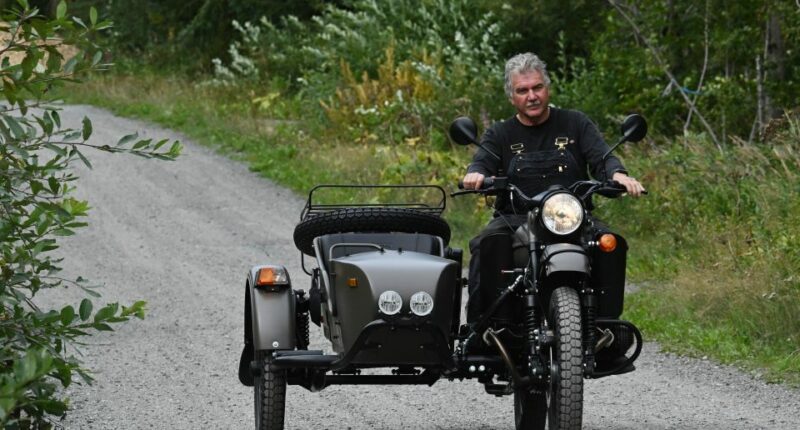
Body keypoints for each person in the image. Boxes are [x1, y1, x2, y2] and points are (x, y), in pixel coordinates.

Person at [461, 52, 645, 323]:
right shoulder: (500, 133)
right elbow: (482, 161)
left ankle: (607, 328)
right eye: (522, 90)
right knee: (487, 244)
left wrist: (618, 175)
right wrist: (475, 175)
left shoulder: (575, 123)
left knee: (610, 244)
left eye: (537, 87)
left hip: (572, 217)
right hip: (516, 219)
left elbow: (602, 157)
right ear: (512, 97)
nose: (531, 96)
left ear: (547, 88)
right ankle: (484, 332)